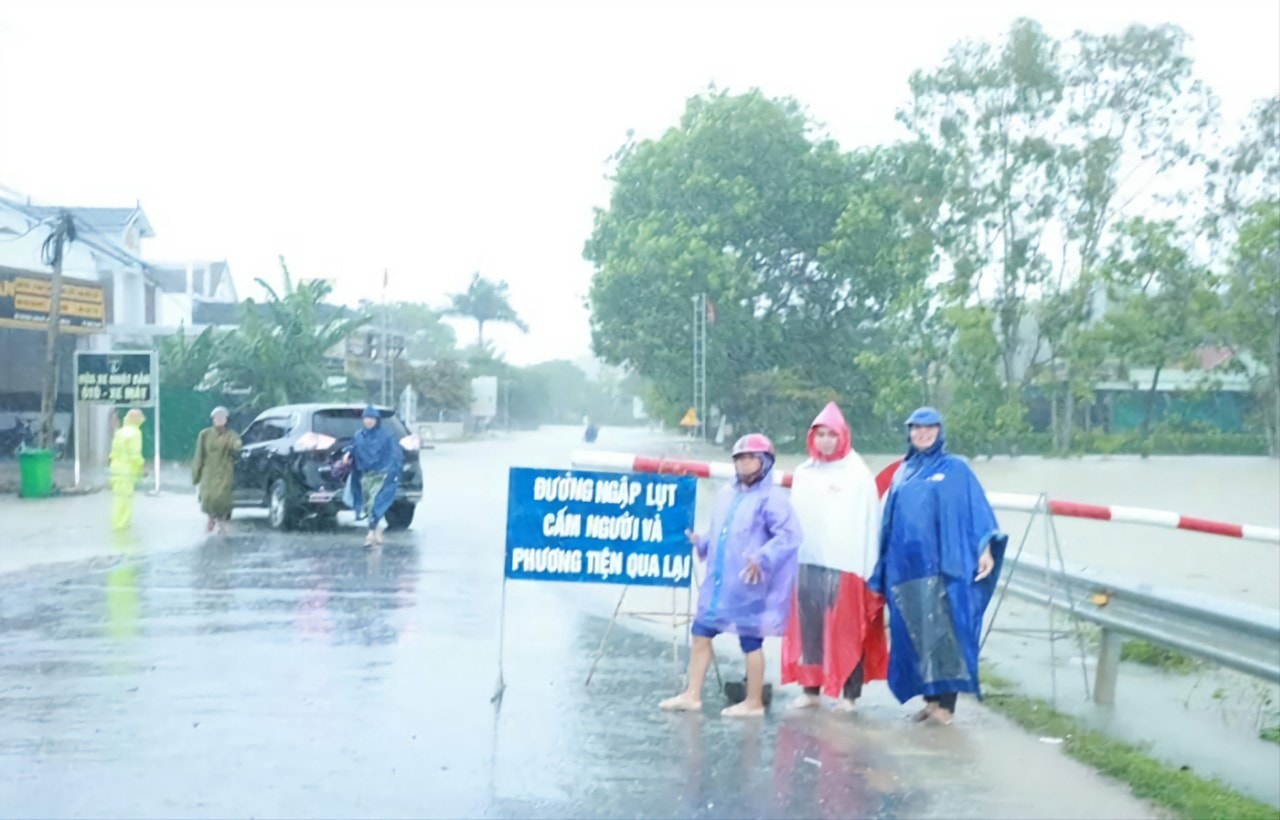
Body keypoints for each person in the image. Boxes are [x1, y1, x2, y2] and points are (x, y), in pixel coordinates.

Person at [868, 407, 1007, 725]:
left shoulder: (955, 469)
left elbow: (976, 512)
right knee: (916, 636)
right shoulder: (903, 471)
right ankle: (930, 701)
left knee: (945, 636)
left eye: (929, 428)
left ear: (940, 431)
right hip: (906, 570)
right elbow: (889, 520)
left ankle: (946, 706)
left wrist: (984, 548)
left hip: (945, 568)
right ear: (909, 432)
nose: (923, 433)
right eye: (917, 428)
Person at [660, 433, 802, 718]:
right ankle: (692, 694)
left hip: (750, 583)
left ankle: (753, 702)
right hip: (720, 582)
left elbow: (789, 535)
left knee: (751, 641)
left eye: (751, 458)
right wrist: (702, 542)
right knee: (701, 632)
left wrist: (762, 558)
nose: (745, 464)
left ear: (765, 462)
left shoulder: (773, 498)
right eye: (740, 458)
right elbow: (722, 533)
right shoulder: (727, 494)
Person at [781, 402, 888, 712]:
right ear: (812, 438)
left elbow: (870, 524)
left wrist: (869, 571)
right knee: (809, 630)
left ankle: (849, 694)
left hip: (847, 567)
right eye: (821, 435)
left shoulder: (858, 475)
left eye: (832, 435)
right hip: (808, 563)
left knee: (847, 632)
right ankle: (810, 689)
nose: (826, 441)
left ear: (844, 437)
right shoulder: (804, 474)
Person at [344, 405, 403, 547]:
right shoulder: (359, 435)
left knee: (375, 503)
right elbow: (354, 448)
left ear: (377, 420)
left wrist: (389, 472)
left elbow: (393, 455)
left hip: (382, 475)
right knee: (368, 504)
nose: (369, 421)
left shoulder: (386, 436)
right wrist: (347, 454)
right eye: (366, 418)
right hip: (364, 475)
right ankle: (376, 530)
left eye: (372, 418)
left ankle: (371, 533)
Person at [192, 406, 242, 534]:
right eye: (216, 418)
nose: (219, 420)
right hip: (208, 472)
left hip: (224, 472)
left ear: (226, 419)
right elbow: (199, 455)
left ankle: (222, 523)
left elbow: (236, 444)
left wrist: (237, 445)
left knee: (223, 498)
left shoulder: (231, 435)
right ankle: (211, 520)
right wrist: (196, 475)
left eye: (222, 417)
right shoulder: (205, 434)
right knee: (208, 498)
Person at [109, 409, 147, 531]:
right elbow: (135, 455)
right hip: (126, 470)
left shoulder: (120, 432)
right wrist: (142, 468)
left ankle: (117, 522)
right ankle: (122, 525)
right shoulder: (135, 433)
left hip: (115, 468)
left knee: (118, 498)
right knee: (125, 499)